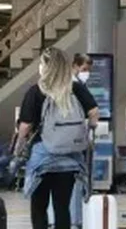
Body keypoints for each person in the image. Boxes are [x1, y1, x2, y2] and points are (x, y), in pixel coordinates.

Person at [15, 47, 98, 229]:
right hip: (69, 159)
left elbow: (26, 125)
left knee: (39, 207)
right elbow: (94, 112)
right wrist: (88, 130)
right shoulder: (75, 88)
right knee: (62, 207)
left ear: (46, 66)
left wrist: (19, 145)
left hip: (41, 161)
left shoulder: (36, 91)